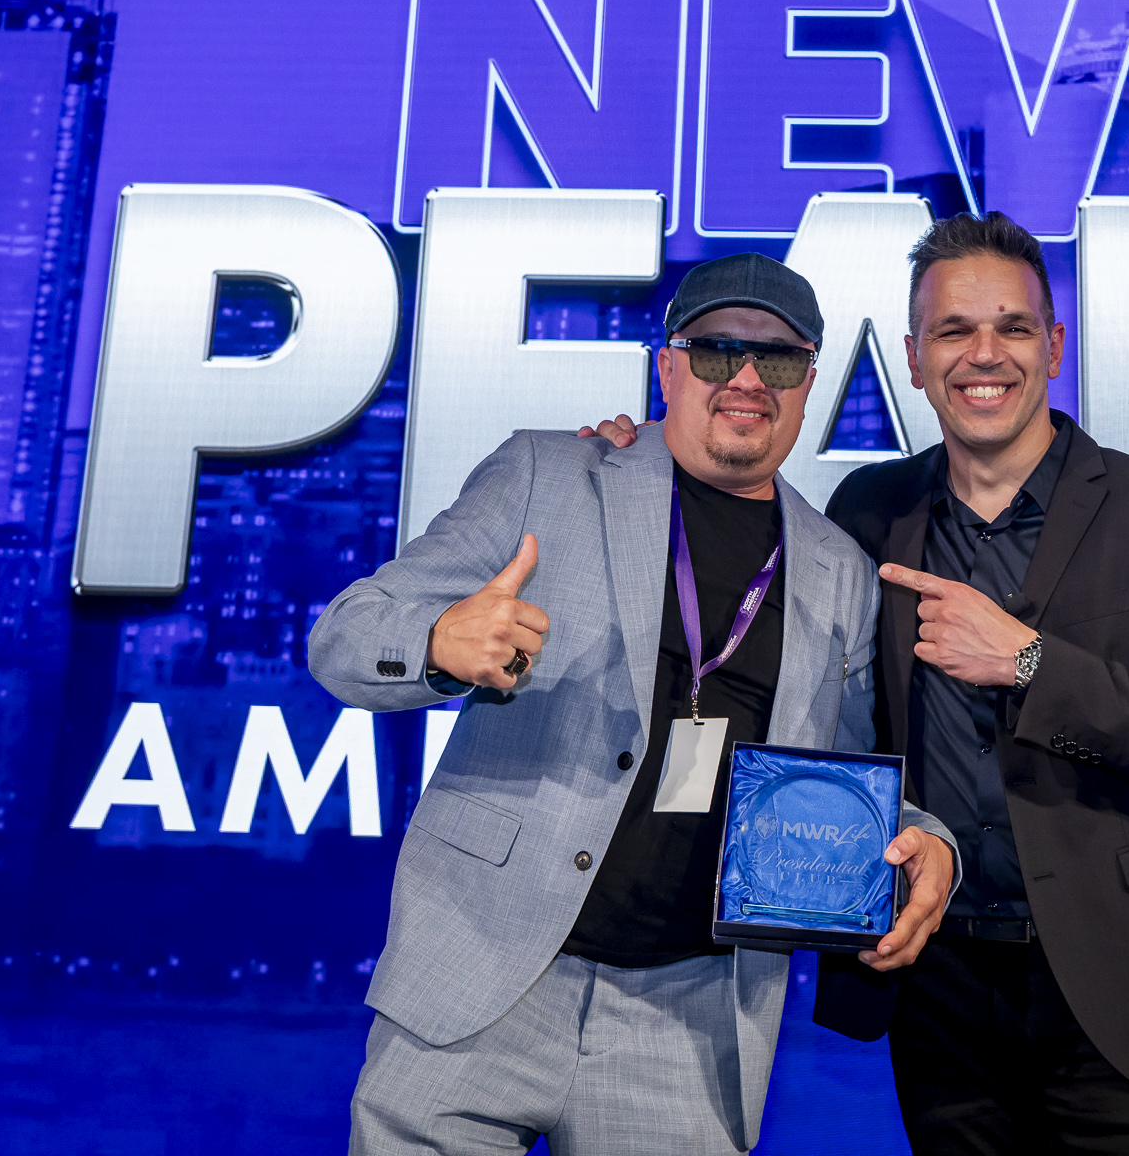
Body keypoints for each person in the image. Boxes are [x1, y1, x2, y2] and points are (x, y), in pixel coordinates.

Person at [589, 212, 1129, 1154]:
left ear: (1054, 346)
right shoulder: (867, 511)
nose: (983, 354)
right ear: (913, 358)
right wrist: (632, 463)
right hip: (935, 990)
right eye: (953, 330)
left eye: (1012, 328)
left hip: (1126, 985)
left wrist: (1028, 662)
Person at [309, 252, 957, 1156]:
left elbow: (845, 780)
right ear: (667, 368)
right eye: (716, 350)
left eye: (776, 359)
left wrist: (928, 842)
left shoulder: (840, 570)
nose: (745, 379)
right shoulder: (546, 472)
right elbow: (343, 637)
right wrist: (438, 644)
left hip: (688, 1020)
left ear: (808, 383)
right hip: (486, 966)